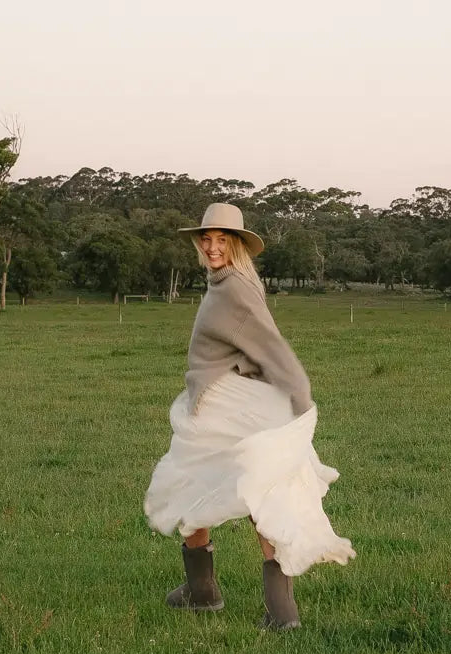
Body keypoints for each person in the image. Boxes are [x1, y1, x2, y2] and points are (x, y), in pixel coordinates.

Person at [144, 203, 355, 630]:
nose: (212, 246)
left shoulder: (235, 287)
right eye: (207, 238)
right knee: (199, 487)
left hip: (227, 409)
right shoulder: (225, 282)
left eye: (223, 240)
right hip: (218, 403)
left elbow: (270, 346)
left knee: (231, 489)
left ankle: (268, 610)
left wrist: (299, 397)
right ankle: (210, 594)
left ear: (237, 245)